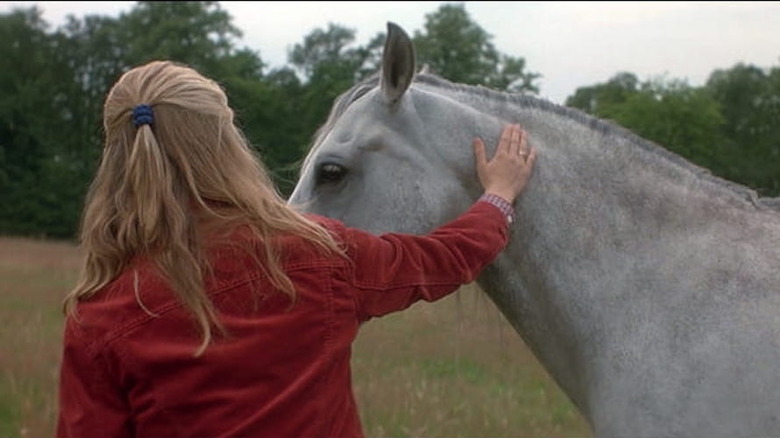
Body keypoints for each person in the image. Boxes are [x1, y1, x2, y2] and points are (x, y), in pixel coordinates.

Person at [56, 60, 537, 438]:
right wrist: (498, 196)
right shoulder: (319, 256)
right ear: (227, 142)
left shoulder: (99, 318)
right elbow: (443, 259)